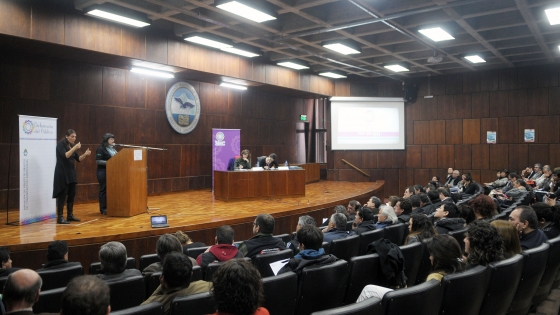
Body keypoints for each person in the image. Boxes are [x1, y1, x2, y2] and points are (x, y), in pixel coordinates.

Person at [356, 234, 464, 303]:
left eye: (432, 254)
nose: (430, 257)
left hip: (412, 305)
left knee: (368, 290)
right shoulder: (462, 269)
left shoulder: (435, 277)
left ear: (440, 257)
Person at [142, 252, 212, 315]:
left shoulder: (153, 306)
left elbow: (144, 306)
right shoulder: (209, 287)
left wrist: (162, 285)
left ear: (163, 278)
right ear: (191, 274)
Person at [52, 129, 91, 224]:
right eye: (72, 136)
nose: (74, 138)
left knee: (71, 194)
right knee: (62, 194)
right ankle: (60, 217)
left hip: (71, 173)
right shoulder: (61, 145)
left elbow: (78, 159)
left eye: (75, 137)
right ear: (67, 136)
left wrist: (85, 155)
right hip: (62, 173)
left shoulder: (72, 146)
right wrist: (75, 148)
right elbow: (66, 155)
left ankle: (70, 215)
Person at [95, 133, 117, 215]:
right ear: (106, 140)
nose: (113, 140)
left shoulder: (113, 149)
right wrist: (110, 163)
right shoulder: (101, 149)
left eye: (113, 139)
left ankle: (111, 206)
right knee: (103, 190)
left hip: (112, 172)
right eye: (111, 139)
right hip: (103, 172)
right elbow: (98, 161)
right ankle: (103, 208)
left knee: (112, 189)